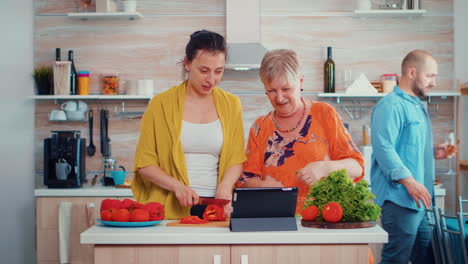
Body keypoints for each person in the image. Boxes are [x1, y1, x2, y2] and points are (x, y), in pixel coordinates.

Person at [131, 30, 246, 219]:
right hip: (169, 207)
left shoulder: (231, 104)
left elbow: (236, 158)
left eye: (218, 71)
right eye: (203, 70)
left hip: (216, 207)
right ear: (187, 63)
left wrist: (225, 189)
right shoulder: (161, 104)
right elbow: (145, 163)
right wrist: (178, 187)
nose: (211, 79)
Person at [238, 49, 364, 213]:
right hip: (276, 217)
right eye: (272, 91)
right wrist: (265, 186)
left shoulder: (324, 113)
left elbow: (357, 167)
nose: (280, 98)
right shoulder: (260, 126)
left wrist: (325, 167)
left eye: (286, 89)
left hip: (322, 217)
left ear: (301, 82)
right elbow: (246, 179)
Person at [371, 49, 453, 263]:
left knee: (426, 257)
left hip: (421, 201)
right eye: (430, 76)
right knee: (396, 259)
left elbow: (408, 147)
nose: (433, 82)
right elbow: (383, 147)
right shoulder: (390, 105)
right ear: (412, 72)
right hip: (400, 200)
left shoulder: (415, 106)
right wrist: (409, 182)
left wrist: (433, 151)